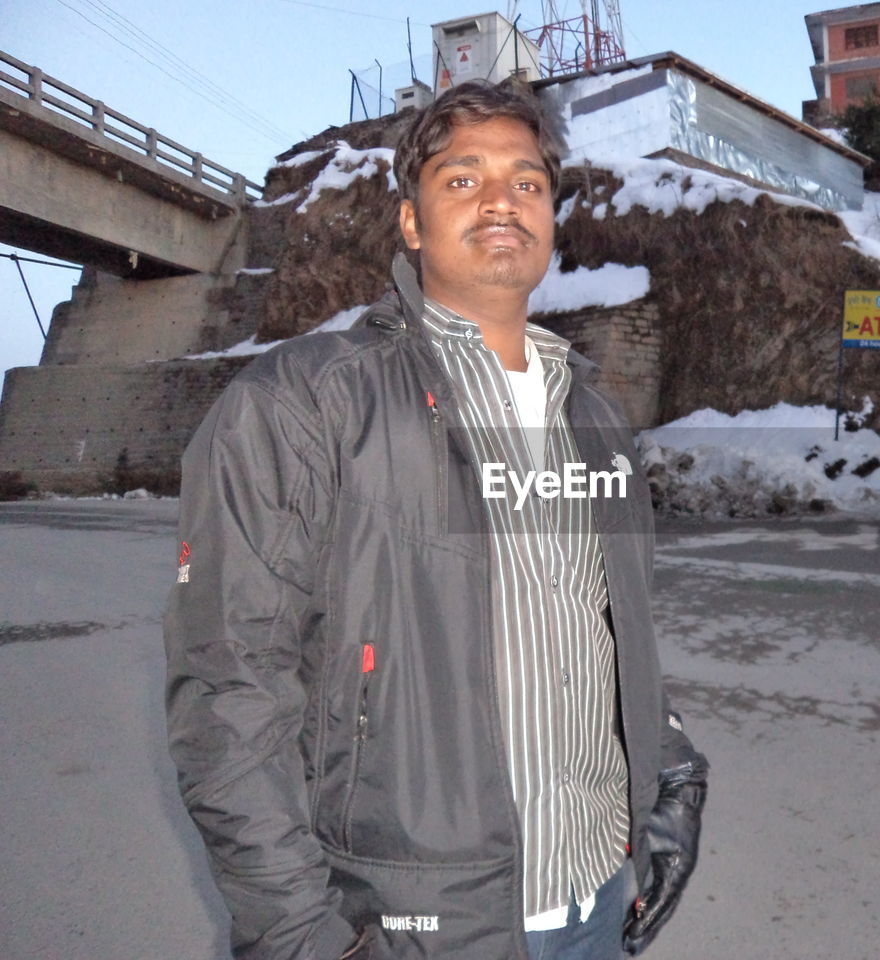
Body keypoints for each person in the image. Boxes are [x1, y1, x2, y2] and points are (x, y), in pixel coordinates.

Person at [164, 78, 708, 960]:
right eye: (463, 179)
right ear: (411, 223)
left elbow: (609, 634)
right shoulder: (305, 401)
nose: (502, 199)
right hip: (416, 922)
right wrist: (302, 933)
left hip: (601, 897)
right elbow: (229, 691)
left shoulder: (596, 419)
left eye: (527, 182)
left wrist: (671, 765)